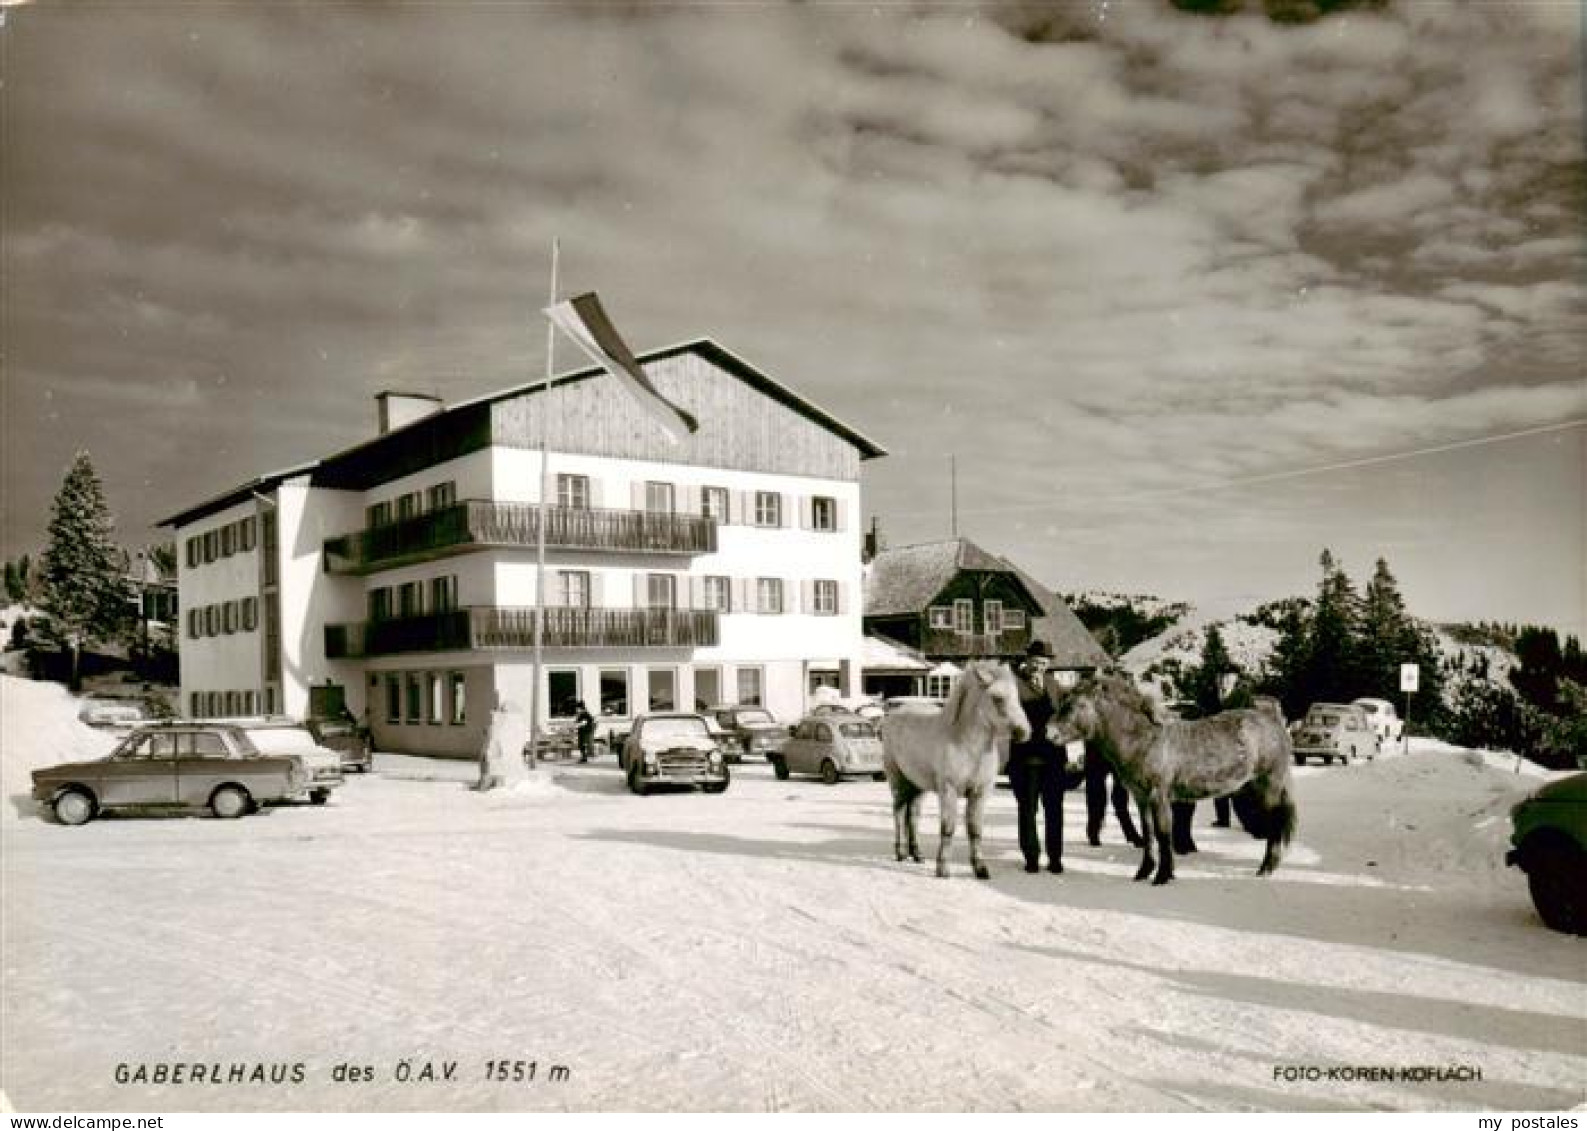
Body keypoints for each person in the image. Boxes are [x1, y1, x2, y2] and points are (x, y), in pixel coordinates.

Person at [1007, 640, 1067, 874]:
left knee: (1055, 810)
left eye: (1043, 662)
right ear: (1027, 660)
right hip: (1025, 758)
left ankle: (1055, 857)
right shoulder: (1012, 684)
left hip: (1053, 758)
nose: (1038, 666)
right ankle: (1031, 857)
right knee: (1027, 810)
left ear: (1048, 663)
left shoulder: (1054, 685)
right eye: (1035, 661)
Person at [1084, 743, 1143, 848]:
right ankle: (1094, 830)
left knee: (1118, 793)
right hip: (1102, 747)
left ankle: (1094, 831)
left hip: (1114, 746)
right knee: (1098, 793)